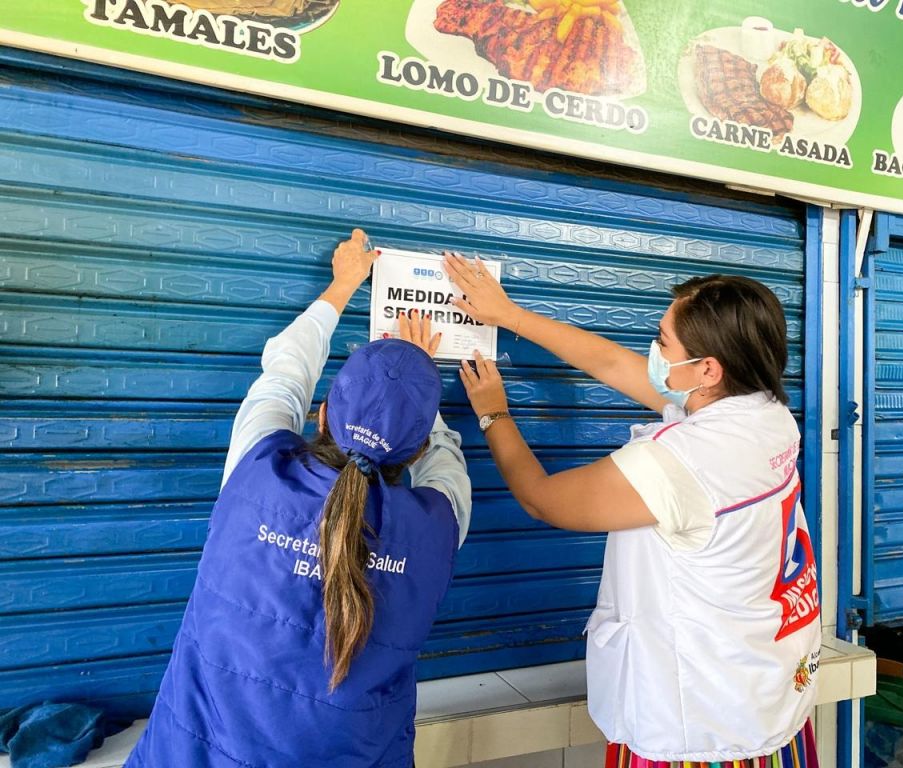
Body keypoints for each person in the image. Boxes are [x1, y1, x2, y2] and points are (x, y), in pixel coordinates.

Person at [445, 252, 821, 767]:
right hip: (766, 701)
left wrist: (493, 414)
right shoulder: (764, 415)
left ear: (708, 369)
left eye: (663, 341)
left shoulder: (688, 460)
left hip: (699, 735)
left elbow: (542, 499)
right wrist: (510, 316)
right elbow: (614, 366)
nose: (654, 352)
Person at [125, 230, 471, 768]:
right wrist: (416, 377)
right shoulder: (436, 528)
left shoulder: (258, 471)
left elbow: (285, 374)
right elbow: (444, 458)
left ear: (324, 412)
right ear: (419, 444)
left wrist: (345, 283)